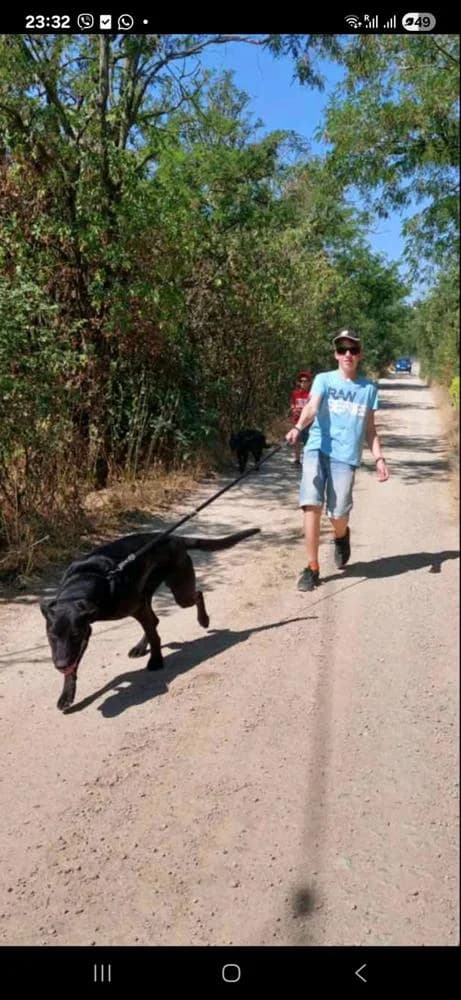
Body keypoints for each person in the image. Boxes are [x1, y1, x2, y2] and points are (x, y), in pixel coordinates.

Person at [286, 329, 389, 591]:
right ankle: (312, 568)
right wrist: (298, 428)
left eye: (353, 350)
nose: (347, 354)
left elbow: (369, 429)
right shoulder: (323, 379)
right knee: (311, 504)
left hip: (346, 457)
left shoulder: (368, 389)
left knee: (339, 513)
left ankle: (341, 536)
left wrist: (378, 458)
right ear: (335, 354)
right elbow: (311, 407)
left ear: (360, 355)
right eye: (342, 349)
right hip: (317, 449)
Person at [289, 371, 312, 465]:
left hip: (308, 422)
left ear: (309, 382)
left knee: (307, 441)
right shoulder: (295, 393)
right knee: (296, 440)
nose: (303, 383)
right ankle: (297, 459)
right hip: (297, 421)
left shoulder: (312, 394)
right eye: (301, 381)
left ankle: (308, 459)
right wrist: (294, 409)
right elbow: (292, 404)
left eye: (306, 381)